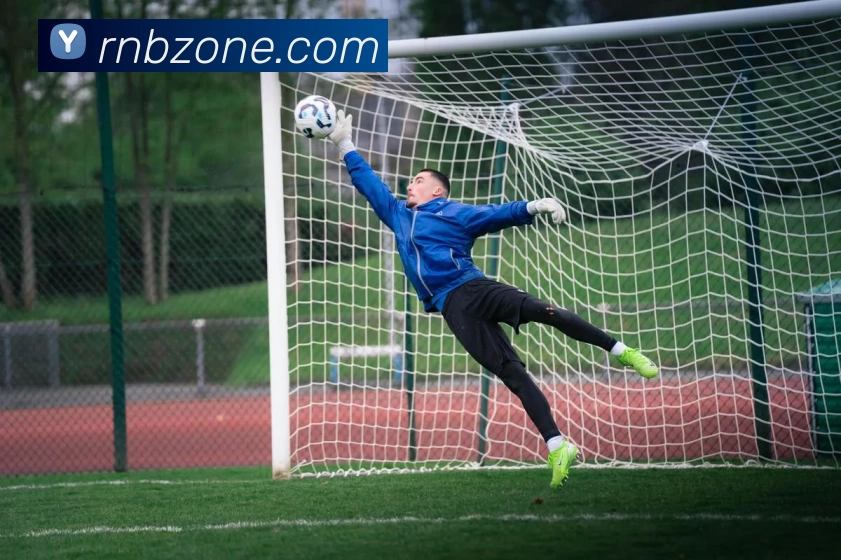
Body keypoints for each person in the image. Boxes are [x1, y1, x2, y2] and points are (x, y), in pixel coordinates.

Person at [327, 110, 658, 488]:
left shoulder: (453, 212)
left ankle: (621, 351)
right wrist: (344, 144)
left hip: (474, 287)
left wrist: (533, 206)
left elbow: (494, 214)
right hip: (452, 307)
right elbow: (370, 185)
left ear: (438, 190)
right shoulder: (398, 215)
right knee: (512, 374)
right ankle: (558, 445)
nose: (411, 185)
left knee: (543, 310)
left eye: (419, 180)